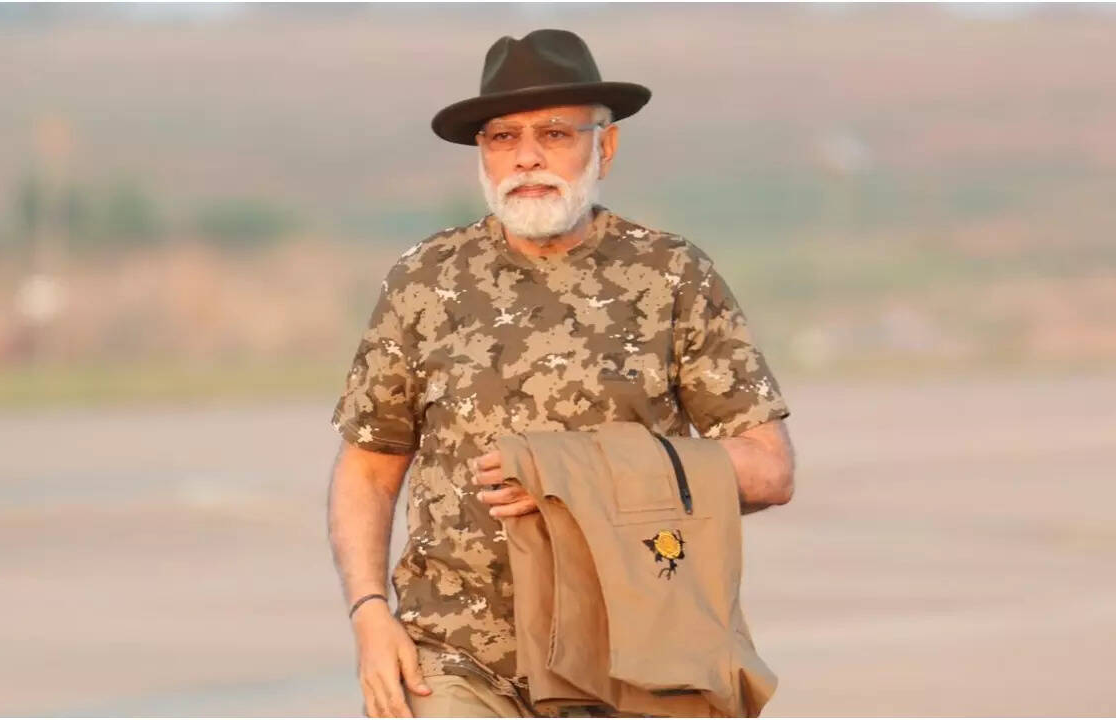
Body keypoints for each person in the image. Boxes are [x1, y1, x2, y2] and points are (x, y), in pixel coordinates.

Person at [327, 29, 797, 718]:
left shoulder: (671, 276)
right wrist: (369, 612)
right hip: (457, 655)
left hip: (635, 653)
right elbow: (369, 467)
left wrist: (576, 471)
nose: (526, 157)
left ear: (604, 147)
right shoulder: (425, 279)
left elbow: (767, 470)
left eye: (553, 134)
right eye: (502, 137)